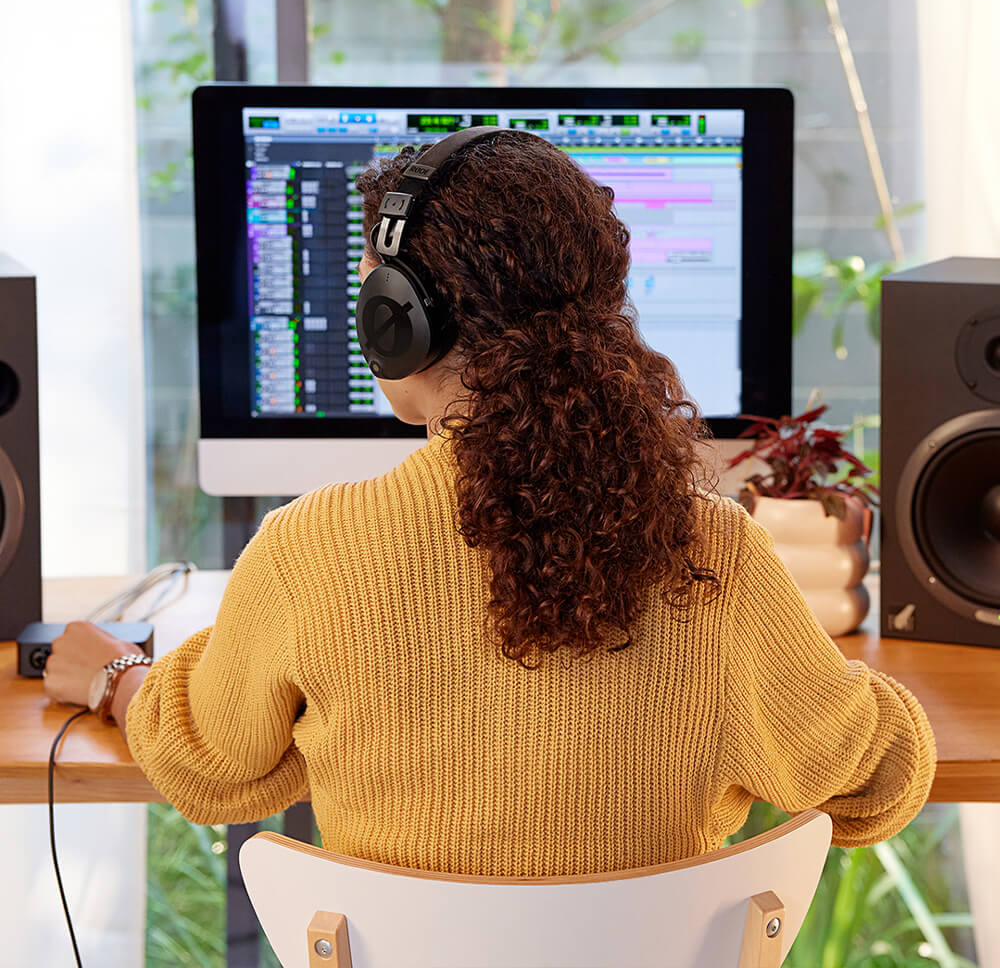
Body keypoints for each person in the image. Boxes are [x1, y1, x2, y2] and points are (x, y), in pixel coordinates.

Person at [44, 129, 936, 876]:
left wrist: (120, 679)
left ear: (397, 321)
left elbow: (212, 768)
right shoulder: (713, 550)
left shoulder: (309, 551)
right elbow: (877, 781)